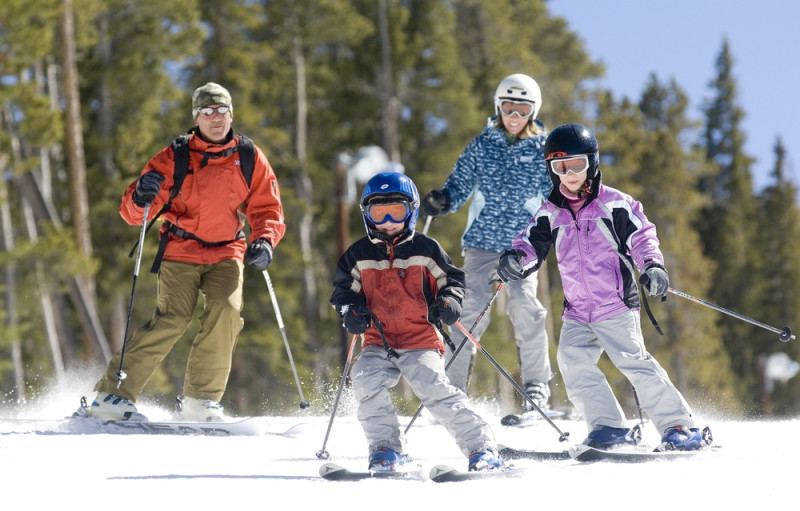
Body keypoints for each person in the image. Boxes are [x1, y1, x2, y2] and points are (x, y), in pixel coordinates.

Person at [79, 82, 286, 422]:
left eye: (221, 111)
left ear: (231, 114)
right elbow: (132, 213)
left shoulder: (249, 156)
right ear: (196, 117)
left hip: (227, 250)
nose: (215, 118)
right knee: (173, 318)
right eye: (207, 112)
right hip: (181, 248)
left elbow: (267, 208)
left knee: (227, 312)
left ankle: (201, 401)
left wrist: (264, 240)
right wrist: (141, 195)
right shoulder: (175, 155)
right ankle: (111, 396)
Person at [496, 123, 708, 450]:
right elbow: (530, 245)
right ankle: (608, 426)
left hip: (616, 305)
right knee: (571, 361)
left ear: (592, 163)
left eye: (576, 165)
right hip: (578, 311)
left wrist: (652, 266)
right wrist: (515, 259)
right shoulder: (550, 211)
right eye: (560, 167)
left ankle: (678, 425)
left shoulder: (615, 204)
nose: (569, 174)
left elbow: (642, 235)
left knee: (634, 363)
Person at [331, 171, 503, 472]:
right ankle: (387, 448)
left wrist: (449, 302)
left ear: (410, 211)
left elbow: (451, 280)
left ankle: (482, 448)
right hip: (378, 340)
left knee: (434, 389)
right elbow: (343, 292)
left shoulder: (426, 249)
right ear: (366, 215)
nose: (387, 220)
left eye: (395, 211)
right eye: (378, 212)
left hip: (420, 339)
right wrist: (351, 312)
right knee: (364, 379)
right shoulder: (358, 255)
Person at [420, 73, 553, 413]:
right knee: (468, 312)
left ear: (533, 111)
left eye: (522, 109)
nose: (514, 115)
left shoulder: (542, 149)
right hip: (481, 243)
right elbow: (460, 184)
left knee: (527, 308)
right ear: (498, 106)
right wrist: (443, 199)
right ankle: (452, 388)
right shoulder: (483, 146)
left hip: (522, 247)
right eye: (508, 106)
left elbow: (557, 195)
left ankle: (536, 386)